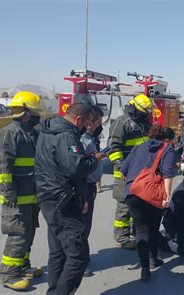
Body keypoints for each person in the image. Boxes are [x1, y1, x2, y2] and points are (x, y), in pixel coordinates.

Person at [35, 102, 105, 295]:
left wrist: (83, 157)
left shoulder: (48, 131)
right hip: (62, 202)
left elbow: (63, 162)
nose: (87, 128)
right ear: (79, 119)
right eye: (87, 123)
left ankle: (54, 291)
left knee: (58, 252)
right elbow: (75, 168)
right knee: (78, 256)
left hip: (48, 197)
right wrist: (93, 160)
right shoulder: (67, 135)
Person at [0, 91, 46, 290]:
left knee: (28, 233)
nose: (37, 116)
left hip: (31, 195)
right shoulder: (10, 133)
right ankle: (9, 274)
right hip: (16, 198)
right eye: (35, 113)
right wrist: (8, 194)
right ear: (25, 113)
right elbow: (1, 168)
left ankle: (23, 266)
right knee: (18, 235)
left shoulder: (29, 132)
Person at [120, 125, 176, 282]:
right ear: (166, 140)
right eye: (171, 141)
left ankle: (145, 268)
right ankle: (153, 259)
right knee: (152, 228)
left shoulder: (139, 147)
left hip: (132, 193)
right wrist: (166, 195)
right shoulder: (167, 149)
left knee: (141, 230)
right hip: (152, 195)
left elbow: (124, 170)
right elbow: (168, 174)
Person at [108, 94, 152, 249]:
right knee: (124, 206)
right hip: (124, 172)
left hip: (141, 172)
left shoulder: (144, 122)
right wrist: (121, 168)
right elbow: (113, 148)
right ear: (135, 108)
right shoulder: (122, 122)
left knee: (138, 204)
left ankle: (135, 232)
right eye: (144, 112)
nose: (146, 114)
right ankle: (122, 237)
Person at [80, 105, 104, 277]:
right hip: (83, 187)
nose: (98, 127)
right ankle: (79, 262)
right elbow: (79, 169)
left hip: (90, 186)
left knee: (86, 225)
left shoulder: (90, 138)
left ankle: (82, 257)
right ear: (88, 122)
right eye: (97, 123)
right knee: (81, 226)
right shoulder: (82, 140)